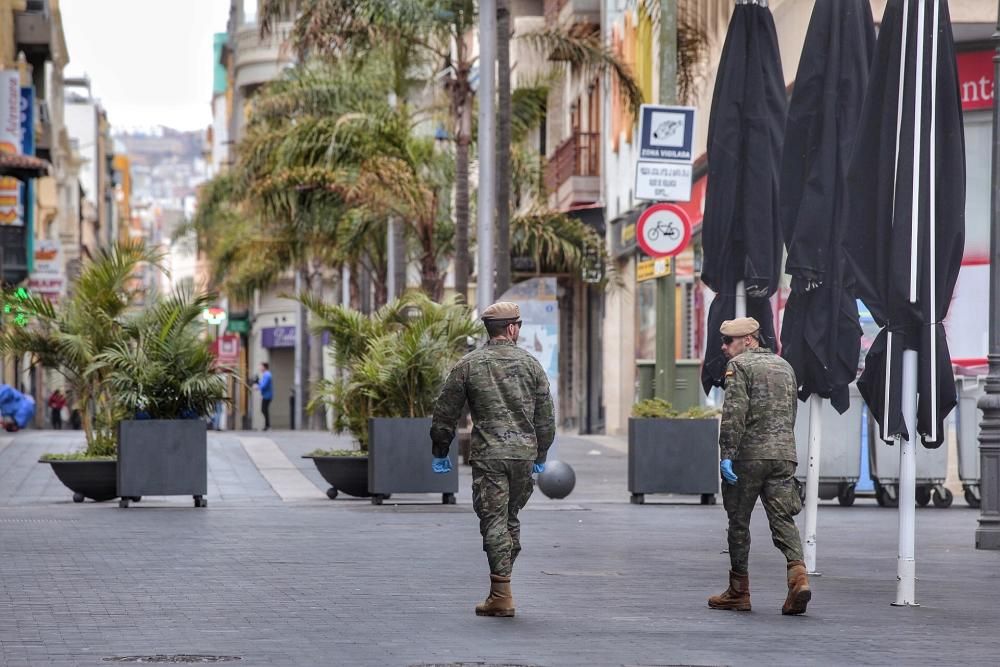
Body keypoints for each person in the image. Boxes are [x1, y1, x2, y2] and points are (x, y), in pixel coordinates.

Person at [430, 301, 555, 618]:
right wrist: (541, 454)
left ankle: (501, 594)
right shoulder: (532, 365)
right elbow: (546, 419)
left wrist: (440, 450)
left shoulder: (468, 365)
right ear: (513, 328)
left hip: (489, 457)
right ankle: (500, 589)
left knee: (494, 521)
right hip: (523, 457)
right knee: (510, 519)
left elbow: (445, 413)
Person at [708, 316, 811, 615]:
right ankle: (798, 577)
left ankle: (738, 591)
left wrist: (726, 453)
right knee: (783, 518)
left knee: (738, 521)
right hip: (783, 455)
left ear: (749, 339)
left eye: (729, 341)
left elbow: (734, 414)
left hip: (748, 457)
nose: (724, 347)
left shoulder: (739, 367)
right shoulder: (785, 366)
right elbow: (791, 412)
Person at [254, 362, 273, 431]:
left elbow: (264, 385)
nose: (260, 368)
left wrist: (258, 387)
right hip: (265, 395)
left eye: (261, 367)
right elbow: (262, 384)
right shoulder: (266, 374)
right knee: (264, 410)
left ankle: (267, 425)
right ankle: (267, 425)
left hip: (267, 395)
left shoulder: (267, 375)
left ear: (265, 367)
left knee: (264, 410)